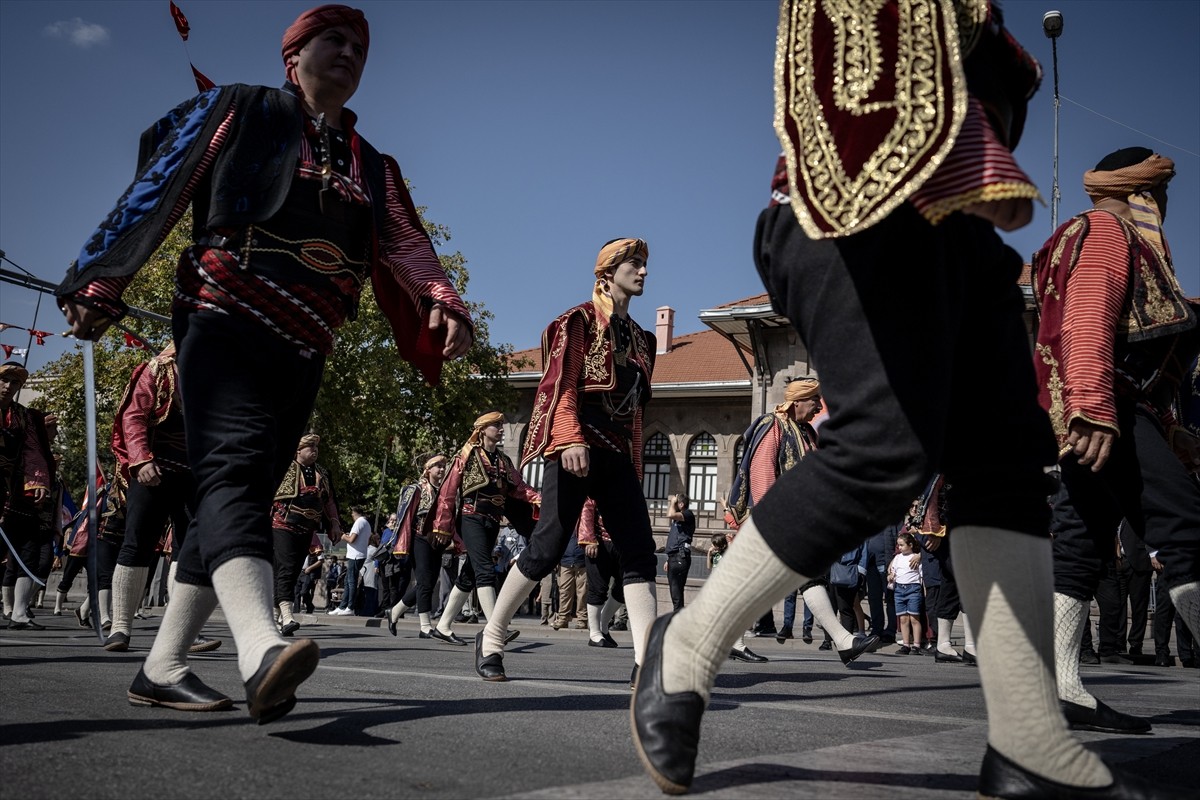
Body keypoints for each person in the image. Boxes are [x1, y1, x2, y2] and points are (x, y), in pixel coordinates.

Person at [630, 3, 1157, 797]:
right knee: (887, 443)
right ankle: (688, 646)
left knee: (1008, 464)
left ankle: (1026, 736)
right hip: (844, 210)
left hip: (959, 236)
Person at [56, 4, 473, 723]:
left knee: (239, 489)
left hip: (307, 341)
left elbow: (405, 244)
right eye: (331, 40)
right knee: (237, 468)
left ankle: (162, 665)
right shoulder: (240, 109)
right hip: (224, 315)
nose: (348, 52)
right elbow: (164, 183)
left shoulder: (373, 164)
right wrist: (103, 276)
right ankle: (259, 651)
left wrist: (443, 299)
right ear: (293, 57)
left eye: (358, 46)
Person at [1034, 146, 1199, 737]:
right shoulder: (1107, 230)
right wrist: (1094, 406)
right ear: (1145, 193)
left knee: (1079, 540)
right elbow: (1088, 313)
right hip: (1111, 408)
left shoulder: (1076, 233)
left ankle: (1060, 690)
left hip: (1092, 410)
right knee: (1185, 529)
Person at [476, 238, 660, 685]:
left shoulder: (643, 340)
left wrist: (635, 468)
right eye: (634, 263)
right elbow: (561, 385)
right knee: (546, 548)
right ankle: (492, 638)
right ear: (608, 271)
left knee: (639, 551)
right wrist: (570, 438)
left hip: (616, 451)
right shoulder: (575, 322)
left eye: (644, 264)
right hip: (576, 443)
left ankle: (647, 661)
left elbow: (636, 414)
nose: (643, 272)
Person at [728, 377, 875, 662]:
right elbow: (761, 473)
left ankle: (725, 638)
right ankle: (844, 641)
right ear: (798, 401)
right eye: (815, 400)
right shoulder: (771, 425)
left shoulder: (807, 433)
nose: (819, 407)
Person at [103, 344, 223, 654]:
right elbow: (133, 417)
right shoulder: (155, 369)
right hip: (153, 470)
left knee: (190, 548)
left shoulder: (215, 376)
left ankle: (182, 630)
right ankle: (120, 628)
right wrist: (141, 460)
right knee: (137, 543)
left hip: (196, 475)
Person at [429, 412, 540, 645]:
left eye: (501, 425)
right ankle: (495, 628)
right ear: (482, 430)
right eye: (496, 426)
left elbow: (518, 487)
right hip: (471, 518)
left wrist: (538, 499)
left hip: (492, 520)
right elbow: (448, 492)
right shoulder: (466, 456)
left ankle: (442, 625)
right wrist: (442, 524)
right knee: (485, 570)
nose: (501, 429)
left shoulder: (503, 461)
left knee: (469, 574)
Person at [0, 361, 54, 631]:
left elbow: (33, 451)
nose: (8, 386)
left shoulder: (24, 416)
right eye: (5, 380)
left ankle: (20, 612)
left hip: (15, 491)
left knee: (29, 551)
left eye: (15, 383)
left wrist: (38, 481)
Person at [275, 434, 343, 633]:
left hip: (307, 528)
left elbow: (329, 502)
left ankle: (274, 617)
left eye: (316, 448)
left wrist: (335, 524)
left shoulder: (322, 472)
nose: (314, 450)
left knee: (292, 569)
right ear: (298, 451)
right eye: (309, 447)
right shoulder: (284, 467)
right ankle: (287, 616)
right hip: (282, 525)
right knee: (286, 568)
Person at [385, 454, 449, 637]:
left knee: (428, 582)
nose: (442, 469)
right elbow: (404, 517)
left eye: (444, 466)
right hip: (419, 539)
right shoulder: (416, 489)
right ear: (428, 469)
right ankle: (425, 625)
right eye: (437, 466)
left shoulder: (444, 491)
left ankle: (395, 611)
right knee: (423, 581)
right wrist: (400, 543)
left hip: (436, 542)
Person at [887, 533, 924, 655]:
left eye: (902, 545)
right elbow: (892, 572)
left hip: (913, 588)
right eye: (898, 545)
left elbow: (921, 575)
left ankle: (917, 645)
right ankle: (906, 645)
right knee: (903, 619)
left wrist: (924, 590)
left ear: (910, 545)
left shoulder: (915, 557)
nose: (899, 547)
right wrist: (891, 576)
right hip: (899, 589)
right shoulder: (897, 558)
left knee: (914, 618)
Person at [330, 506, 370, 615]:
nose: (351, 516)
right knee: (348, 580)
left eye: (352, 514)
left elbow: (351, 539)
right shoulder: (365, 523)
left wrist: (343, 536)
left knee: (351, 581)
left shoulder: (359, 522)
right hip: (358, 555)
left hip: (356, 556)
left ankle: (350, 607)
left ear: (355, 513)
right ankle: (343, 606)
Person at [663, 494, 695, 611]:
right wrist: (668, 559)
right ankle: (678, 616)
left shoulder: (688, 514)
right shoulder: (678, 521)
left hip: (680, 557)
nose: (673, 506)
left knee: (676, 592)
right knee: (675, 592)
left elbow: (670, 515)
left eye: (676, 503)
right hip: (674, 557)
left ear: (681, 505)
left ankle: (677, 617)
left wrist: (672, 502)